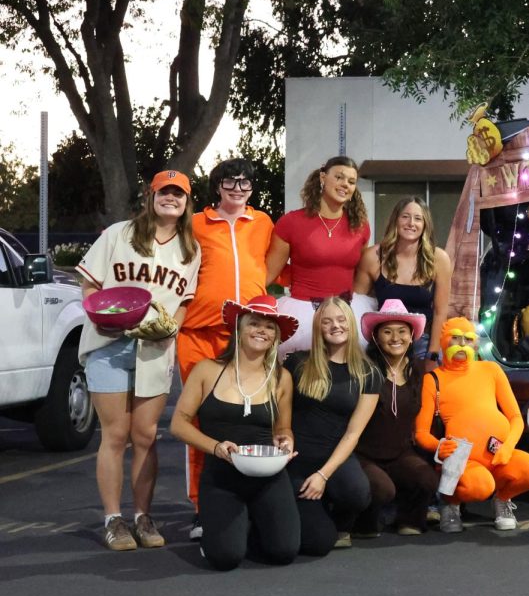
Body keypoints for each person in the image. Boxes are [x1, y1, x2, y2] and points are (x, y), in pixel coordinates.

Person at [78, 170, 201, 551]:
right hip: (109, 342)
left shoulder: (189, 249)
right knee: (115, 435)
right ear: (151, 196)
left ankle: (142, 517)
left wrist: (172, 330)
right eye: (164, 192)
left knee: (145, 436)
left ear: (186, 203)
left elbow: (183, 302)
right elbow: (89, 284)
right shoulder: (120, 233)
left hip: (154, 348)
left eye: (178, 194)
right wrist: (105, 317)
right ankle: (113, 519)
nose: (171, 198)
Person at [177, 158, 274, 540]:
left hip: (246, 335)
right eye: (230, 181)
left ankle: (243, 500)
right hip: (199, 333)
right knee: (200, 422)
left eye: (245, 182)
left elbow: (277, 267)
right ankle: (202, 507)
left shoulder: (264, 223)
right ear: (217, 186)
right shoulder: (195, 222)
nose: (237, 187)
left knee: (248, 418)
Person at [168, 296, 301, 570]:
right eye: (254, 324)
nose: (261, 331)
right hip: (222, 477)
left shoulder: (281, 377)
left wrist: (286, 440)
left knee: (284, 551)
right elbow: (178, 424)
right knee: (225, 558)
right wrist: (216, 447)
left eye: (269, 327)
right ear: (239, 328)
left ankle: (249, 524)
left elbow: (283, 428)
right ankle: (220, 528)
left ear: (276, 337)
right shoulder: (208, 370)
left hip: (269, 476)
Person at [414, 317, 529, 533]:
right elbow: (420, 433)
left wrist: (508, 446)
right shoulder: (433, 379)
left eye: (467, 339)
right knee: (480, 487)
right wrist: (438, 446)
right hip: (462, 460)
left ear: (475, 343)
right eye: (455, 338)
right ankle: (451, 503)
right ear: (444, 341)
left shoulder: (491, 370)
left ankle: (502, 501)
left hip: (498, 455)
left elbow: (516, 418)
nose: (461, 344)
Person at [285, 296, 380, 554]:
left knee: (357, 493)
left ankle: (338, 520)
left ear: (350, 323)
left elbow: (353, 433)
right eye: (327, 321)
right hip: (297, 460)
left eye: (340, 320)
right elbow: (280, 413)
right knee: (315, 545)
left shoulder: (368, 373)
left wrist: (323, 475)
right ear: (318, 328)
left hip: (334, 459)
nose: (335, 326)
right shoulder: (298, 363)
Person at [266, 156, 376, 355]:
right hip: (302, 313)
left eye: (351, 182)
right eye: (339, 177)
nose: (345, 184)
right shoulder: (291, 222)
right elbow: (268, 274)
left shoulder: (360, 227)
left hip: (347, 312)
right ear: (323, 178)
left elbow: (359, 274)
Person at [355, 299, 439, 536]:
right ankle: (361, 523)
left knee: (426, 479)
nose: (395, 337)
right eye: (387, 331)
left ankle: (407, 520)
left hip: (400, 452)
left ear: (412, 336)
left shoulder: (418, 371)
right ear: (376, 337)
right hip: (363, 454)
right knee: (382, 489)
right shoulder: (364, 369)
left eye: (402, 331)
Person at [354, 196, 452, 369]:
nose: (411, 223)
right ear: (396, 220)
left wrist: (433, 352)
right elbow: (358, 306)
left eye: (418, 218)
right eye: (405, 216)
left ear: (425, 225)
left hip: (423, 341)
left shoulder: (439, 259)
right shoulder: (372, 257)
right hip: (384, 341)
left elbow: (440, 310)